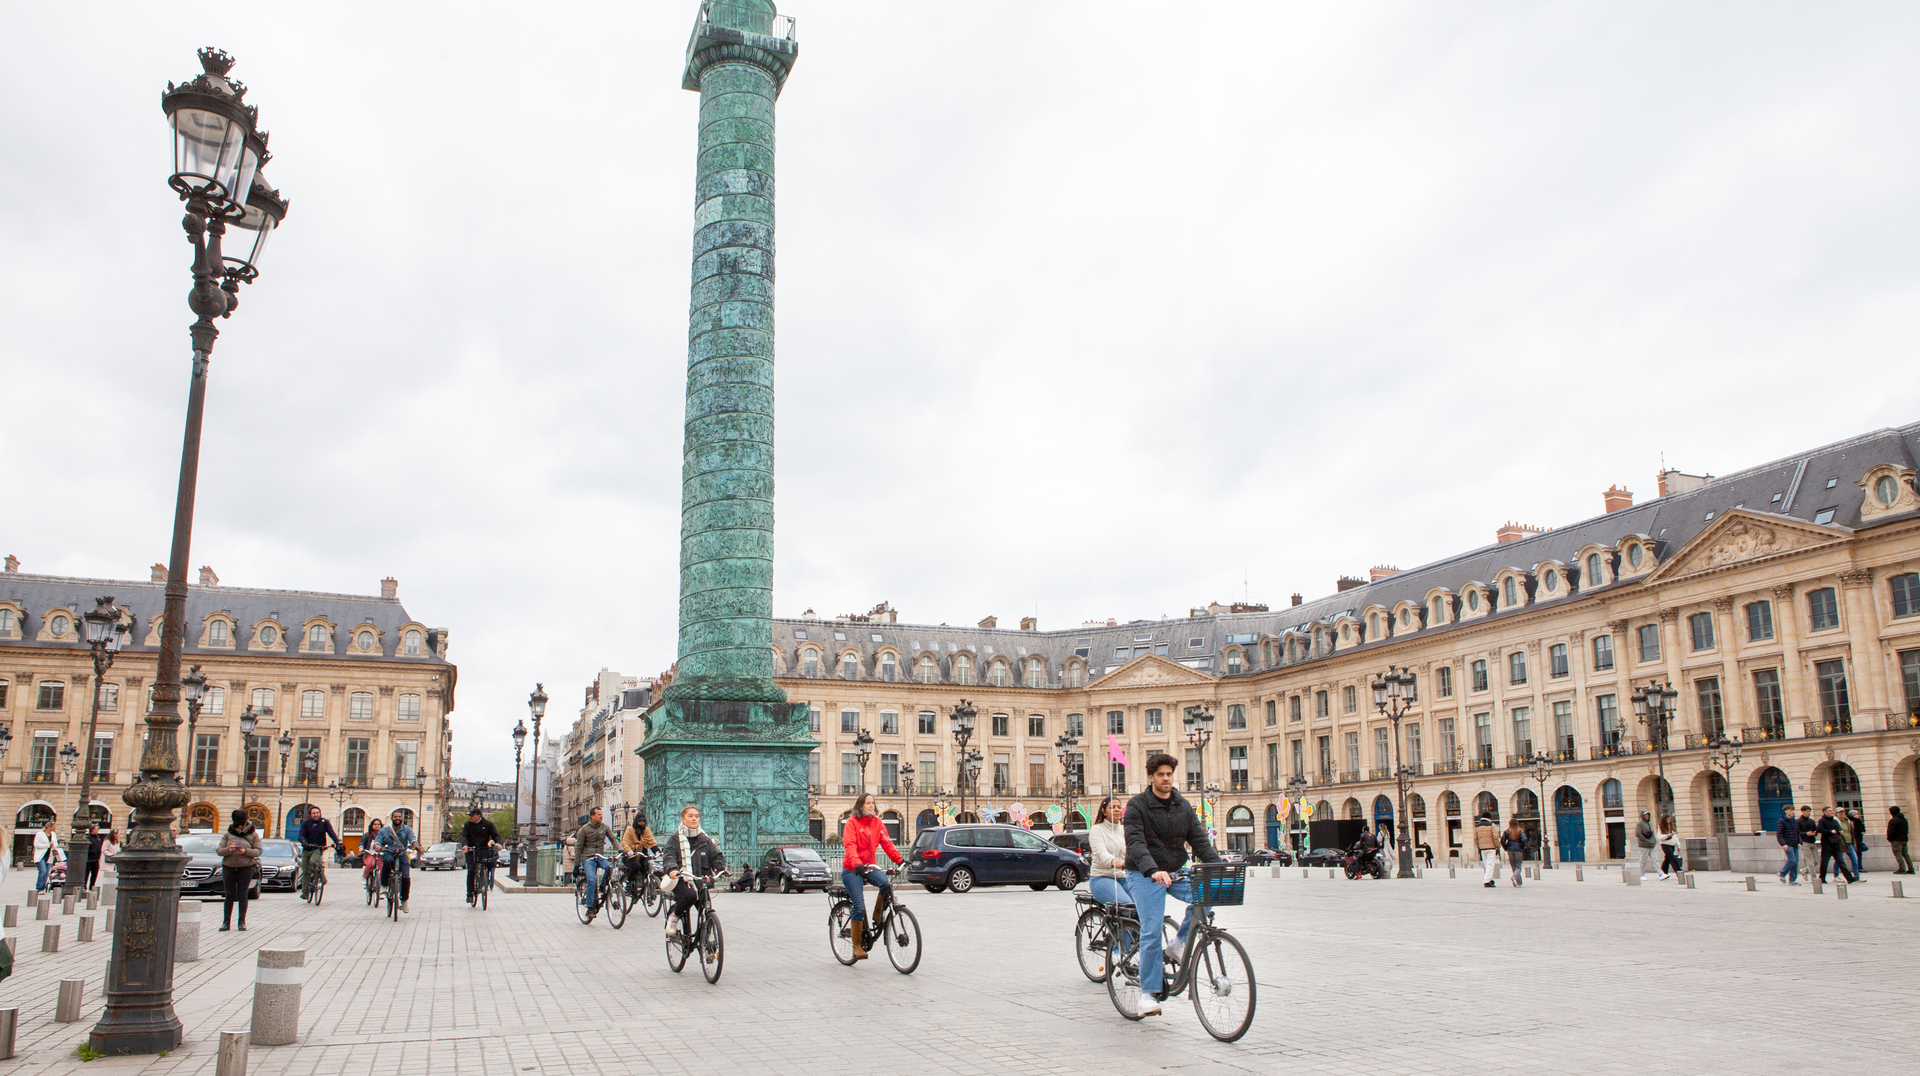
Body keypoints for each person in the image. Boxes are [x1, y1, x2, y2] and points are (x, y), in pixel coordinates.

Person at [1122, 751, 1223, 1017]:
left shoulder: (1183, 805)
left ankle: (1179, 943)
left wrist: (1218, 864)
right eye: (1161, 775)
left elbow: (1199, 840)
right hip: (1144, 873)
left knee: (1208, 891)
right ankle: (1148, 994)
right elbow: (1135, 843)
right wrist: (1152, 870)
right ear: (1151, 777)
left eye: (1169, 774)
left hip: (1175, 869)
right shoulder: (1137, 806)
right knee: (1152, 930)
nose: (1166, 779)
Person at [838, 793, 904, 960]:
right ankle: (857, 946)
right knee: (859, 906)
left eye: (873, 803)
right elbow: (850, 845)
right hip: (852, 869)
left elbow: (887, 843)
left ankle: (877, 915)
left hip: (869, 867)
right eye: (868, 803)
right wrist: (856, 863)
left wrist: (900, 860)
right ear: (861, 806)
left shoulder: (877, 822)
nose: (871, 805)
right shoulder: (852, 822)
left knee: (885, 883)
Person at [660, 804, 726, 944]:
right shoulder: (675, 839)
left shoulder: (704, 839)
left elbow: (716, 856)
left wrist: (720, 867)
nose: (694, 819)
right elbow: (669, 856)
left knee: (706, 908)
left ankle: (706, 943)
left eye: (696, 816)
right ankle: (674, 916)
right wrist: (672, 869)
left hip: (700, 879)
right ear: (683, 819)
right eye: (690, 816)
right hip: (682, 879)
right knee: (690, 896)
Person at [216, 809, 262, 931]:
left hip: (246, 866)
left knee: (243, 894)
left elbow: (258, 851)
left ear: (246, 822)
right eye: (238, 824)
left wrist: (245, 851)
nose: (240, 826)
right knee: (229, 894)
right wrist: (228, 850)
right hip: (228, 866)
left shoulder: (253, 835)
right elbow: (219, 851)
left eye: (242, 824)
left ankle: (241, 921)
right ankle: (226, 922)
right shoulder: (227, 835)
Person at [570, 806, 616, 922]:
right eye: (599, 815)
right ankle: (590, 908)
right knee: (591, 879)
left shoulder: (604, 827)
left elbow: (614, 839)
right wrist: (576, 865)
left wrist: (622, 851)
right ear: (592, 816)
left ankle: (602, 885)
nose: (601, 816)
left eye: (601, 814)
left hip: (600, 856)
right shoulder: (584, 829)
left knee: (610, 866)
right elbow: (579, 848)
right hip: (588, 858)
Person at [373, 810, 421, 913]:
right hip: (389, 852)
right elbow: (377, 841)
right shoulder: (384, 830)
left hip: (402, 854)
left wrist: (416, 846)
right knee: (388, 861)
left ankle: (404, 900)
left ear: (402, 818)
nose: (397, 818)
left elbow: (412, 839)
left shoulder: (407, 829)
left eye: (399, 817)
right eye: (395, 817)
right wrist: (377, 846)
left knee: (406, 877)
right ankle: (384, 885)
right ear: (392, 818)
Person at [1087, 797, 1129, 906]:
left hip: (1124, 877)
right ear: (1104, 812)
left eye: (1119, 807)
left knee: (1144, 904)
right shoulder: (1097, 830)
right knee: (1127, 905)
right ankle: (1118, 923)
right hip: (1102, 877)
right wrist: (1115, 862)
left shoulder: (1125, 829)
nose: (1117, 810)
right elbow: (1101, 853)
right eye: (1112, 807)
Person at [297, 805, 343, 895]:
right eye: (314, 813)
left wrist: (338, 842)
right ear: (310, 814)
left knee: (314, 862)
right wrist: (304, 842)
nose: (316, 814)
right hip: (307, 848)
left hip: (318, 848)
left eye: (317, 813)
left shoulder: (324, 822)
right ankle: (305, 891)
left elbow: (331, 833)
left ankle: (321, 874)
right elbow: (300, 835)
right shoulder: (306, 823)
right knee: (306, 870)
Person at [458, 808, 502, 901]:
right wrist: (465, 845)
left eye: (472, 816)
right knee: (471, 870)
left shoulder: (488, 824)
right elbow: (464, 836)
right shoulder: (468, 825)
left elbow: (495, 835)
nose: (470, 817)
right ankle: (469, 893)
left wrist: (498, 843)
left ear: (479, 816)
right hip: (471, 849)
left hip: (483, 849)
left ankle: (486, 879)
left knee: (490, 864)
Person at [1816, 806, 1857, 884]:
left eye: (1832, 811)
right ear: (1825, 812)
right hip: (1827, 844)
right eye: (1829, 811)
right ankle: (1822, 878)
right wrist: (1830, 831)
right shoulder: (1822, 821)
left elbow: (1838, 829)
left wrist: (1838, 832)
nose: (1831, 812)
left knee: (1841, 861)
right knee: (1825, 862)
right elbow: (1819, 829)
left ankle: (1849, 878)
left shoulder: (1834, 821)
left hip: (1836, 844)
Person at [32, 820, 62, 891]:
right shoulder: (40, 834)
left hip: (49, 856)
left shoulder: (53, 834)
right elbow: (36, 844)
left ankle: (43, 887)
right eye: (54, 826)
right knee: (43, 871)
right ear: (49, 827)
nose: (55, 827)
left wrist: (53, 845)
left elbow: (55, 843)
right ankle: (39, 888)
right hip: (40, 856)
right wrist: (48, 845)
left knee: (46, 873)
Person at [1473, 813, 1502, 887]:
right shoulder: (1492, 825)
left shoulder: (1477, 826)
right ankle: (1486, 881)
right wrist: (1497, 845)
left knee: (1486, 864)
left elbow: (1475, 838)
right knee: (1491, 864)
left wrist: (1479, 845)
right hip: (1491, 847)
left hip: (1482, 848)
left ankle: (1490, 879)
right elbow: (1495, 836)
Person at [1776, 807, 1802, 884]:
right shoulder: (1782, 821)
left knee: (1795, 863)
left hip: (1795, 844)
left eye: (1793, 810)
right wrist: (1783, 844)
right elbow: (1779, 834)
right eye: (1790, 810)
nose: (1792, 812)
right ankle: (1782, 873)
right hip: (1788, 844)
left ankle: (1792, 880)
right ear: (1786, 811)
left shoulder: (1795, 821)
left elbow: (1798, 833)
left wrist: (1800, 842)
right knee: (1792, 860)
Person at [360, 817, 386, 890]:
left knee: (382, 868)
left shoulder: (383, 835)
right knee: (371, 864)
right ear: (372, 826)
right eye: (375, 824)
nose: (377, 826)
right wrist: (361, 848)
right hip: (369, 853)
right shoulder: (368, 835)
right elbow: (362, 842)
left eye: (378, 824)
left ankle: (380, 884)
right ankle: (365, 876)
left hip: (380, 854)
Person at [1502, 820, 1529, 887]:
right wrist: (1522, 846)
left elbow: (1502, 840)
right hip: (1518, 849)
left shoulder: (1507, 831)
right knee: (1518, 866)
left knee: (1513, 866)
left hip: (1510, 850)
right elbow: (1524, 839)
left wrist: (1506, 847)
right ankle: (1514, 877)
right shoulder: (1520, 831)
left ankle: (1519, 882)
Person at [1889, 807, 1913, 875]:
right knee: (1905, 853)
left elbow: (1891, 831)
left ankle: (1902, 868)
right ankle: (1911, 868)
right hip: (1904, 839)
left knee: (1898, 853)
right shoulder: (1904, 820)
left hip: (1896, 839)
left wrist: (1889, 838)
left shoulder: (1893, 820)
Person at [1635, 811, 1658, 880]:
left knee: (1655, 859)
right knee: (1643, 860)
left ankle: (1661, 874)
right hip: (1644, 845)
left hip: (1651, 845)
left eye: (1648, 815)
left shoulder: (1649, 823)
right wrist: (1645, 840)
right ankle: (1641, 875)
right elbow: (1638, 833)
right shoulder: (1640, 823)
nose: (1647, 816)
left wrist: (1654, 841)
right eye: (1645, 815)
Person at [1846, 808, 1867, 876]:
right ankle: (1858, 868)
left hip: (1859, 839)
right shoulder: (1852, 822)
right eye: (1857, 814)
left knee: (1859, 853)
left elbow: (1862, 830)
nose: (1858, 815)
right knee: (1863, 849)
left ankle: (1859, 867)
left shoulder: (1858, 821)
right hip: (1855, 840)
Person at [85, 824, 105, 890]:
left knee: (95, 873)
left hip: (96, 859)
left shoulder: (97, 837)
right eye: (97, 829)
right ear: (92, 830)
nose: (98, 830)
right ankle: (84, 885)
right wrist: (92, 851)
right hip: (89, 859)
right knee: (86, 873)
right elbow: (87, 848)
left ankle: (92, 886)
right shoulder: (88, 837)